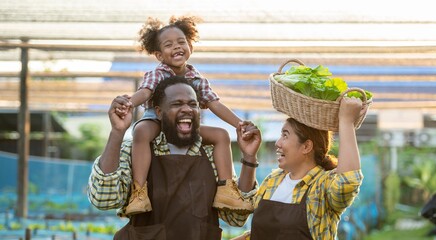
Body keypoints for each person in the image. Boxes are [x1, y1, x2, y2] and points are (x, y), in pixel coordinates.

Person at [87, 76, 261, 239]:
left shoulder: (211, 153)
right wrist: (117, 132)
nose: (186, 109)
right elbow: (104, 199)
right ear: (159, 112)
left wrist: (249, 157)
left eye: (193, 104)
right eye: (177, 104)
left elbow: (236, 218)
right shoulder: (136, 150)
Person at [116, 15, 252, 215]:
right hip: (157, 119)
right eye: (169, 45)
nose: (177, 47)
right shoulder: (158, 73)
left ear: (190, 46)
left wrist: (240, 124)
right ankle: (139, 192)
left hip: (186, 124)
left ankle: (226, 189)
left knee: (221, 135)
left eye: (181, 42)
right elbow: (145, 92)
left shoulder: (196, 78)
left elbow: (215, 104)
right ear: (159, 55)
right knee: (141, 131)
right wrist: (128, 104)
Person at [232, 97, 366, 240]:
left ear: (306, 146)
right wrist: (249, 157)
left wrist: (346, 121)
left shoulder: (321, 186)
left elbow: (347, 182)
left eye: (285, 135)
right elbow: (238, 214)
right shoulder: (273, 180)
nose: (278, 143)